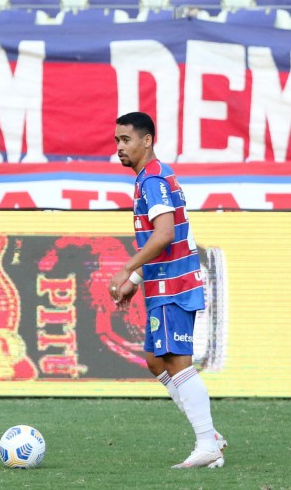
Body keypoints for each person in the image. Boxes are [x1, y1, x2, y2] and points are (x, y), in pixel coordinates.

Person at [108, 112, 226, 469]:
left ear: (147, 140)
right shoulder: (150, 178)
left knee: (175, 361)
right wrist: (137, 281)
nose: (119, 148)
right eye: (116, 141)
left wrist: (128, 267)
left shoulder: (154, 180)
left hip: (174, 285)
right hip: (162, 284)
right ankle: (211, 437)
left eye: (126, 140)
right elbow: (167, 239)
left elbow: (164, 235)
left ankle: (206, 443)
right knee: (155, 360)